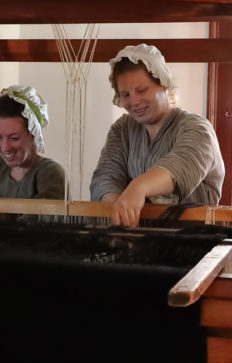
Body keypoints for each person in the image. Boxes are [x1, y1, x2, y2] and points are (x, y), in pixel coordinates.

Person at [90, 43, 225, 227]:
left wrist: (138, 188)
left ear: (163, 84)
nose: (134, 101)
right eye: (126, 94)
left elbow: (182, 163)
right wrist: (120, 212)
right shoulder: (122, 129)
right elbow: (106, 177)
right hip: (140, 242)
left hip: (196, 243)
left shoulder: (196, 127)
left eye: (142, 90)